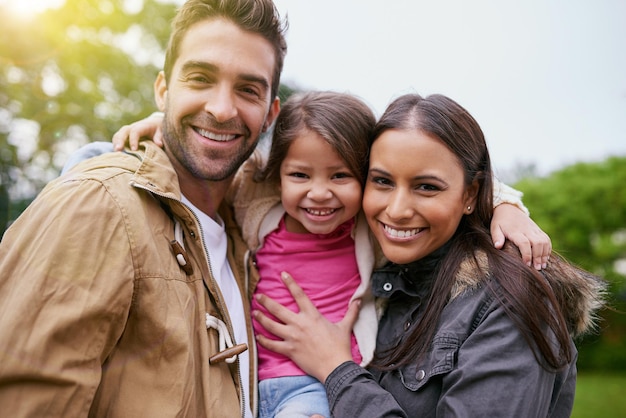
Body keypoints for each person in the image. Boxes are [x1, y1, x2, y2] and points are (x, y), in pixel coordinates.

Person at [0, 0, 287, 416]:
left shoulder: (247, 239)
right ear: (163, 90)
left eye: (247, 89)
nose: (222, 109)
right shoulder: (97, 201)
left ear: (269, 115)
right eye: (200, 78)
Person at [252, 93, 607, 417]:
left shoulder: (509, 299)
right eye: (382, 182)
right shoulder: (389, 279)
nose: (398, 209)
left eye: (426, 187)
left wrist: (336, 369)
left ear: (471, 193)